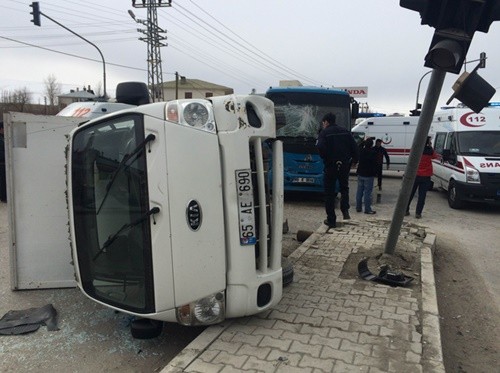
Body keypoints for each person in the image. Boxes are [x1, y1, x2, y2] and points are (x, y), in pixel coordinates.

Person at [317, 112, 359, 228]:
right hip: (344, 164)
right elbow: (354, 147)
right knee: (344, 187)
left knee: (329, 193)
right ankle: (345, 210)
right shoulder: (345, 131)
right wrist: (354, 160)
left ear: (326, 122)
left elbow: (320, 147)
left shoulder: (324, 133)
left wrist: (326, 157)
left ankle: (331, 220)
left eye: (323, 123)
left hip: (330, 165)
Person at [406, 136, 439, 218]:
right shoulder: (430, 151)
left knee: (410, 194)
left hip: (415, 175)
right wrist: (430, 146)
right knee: (422, 196)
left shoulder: (416, 149)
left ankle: (406, 210)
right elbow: (435, 156)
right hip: (426, 176)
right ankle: (418, 213)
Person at [355, 137, 378, 214]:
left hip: (360, 173)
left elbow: (358, 146)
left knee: (359, 191)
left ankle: (358, 207)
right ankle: (367, 209)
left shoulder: (361, 151)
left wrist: (364, 141)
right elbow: (376, 164)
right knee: (367, 193)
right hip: (369, 174)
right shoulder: (373, 152)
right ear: (372, 145)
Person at [0, 121, 6, 203]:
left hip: (3, 163)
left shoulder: (2, 137)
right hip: (1, 163)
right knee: (2, 181)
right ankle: (3, 197)